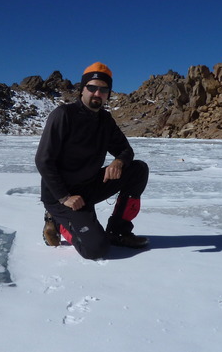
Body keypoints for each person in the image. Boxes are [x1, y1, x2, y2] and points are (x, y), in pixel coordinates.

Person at [35, 61, 149, 260]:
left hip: (89, 186)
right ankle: (58, 222)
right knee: (96, 249)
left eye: (103, 89)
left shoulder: (105, 120)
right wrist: (64, 197)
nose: (98, 93)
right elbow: (44, 161)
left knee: (138, 169)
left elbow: (125, 150)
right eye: (92, 87)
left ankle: (118, 231)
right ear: (82, 89)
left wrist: (119, 162)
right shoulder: (63, 115)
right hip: (62, 195)